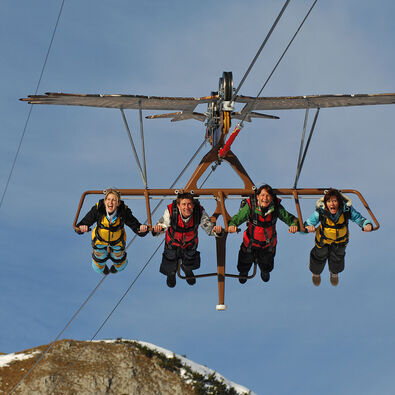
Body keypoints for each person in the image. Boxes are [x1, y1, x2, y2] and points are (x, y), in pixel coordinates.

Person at [228, 184, 299, 283]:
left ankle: (265, 270)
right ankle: (244, 272)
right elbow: (239, 217)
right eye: (262, 195)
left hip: (267, 244)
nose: (265, 199)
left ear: (271, 198)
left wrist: (294, 225)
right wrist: (232, 225)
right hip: (251, 242)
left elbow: (290, 218)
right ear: (257, 197)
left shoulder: (276, 207)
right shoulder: (251, 206)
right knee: (245, 259)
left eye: (268, 196)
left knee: (267, 262)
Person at [304, 188, 373, 286]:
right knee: (319, 255)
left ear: (339, 202)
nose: (332, 204)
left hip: (340, 240)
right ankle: (316, 273)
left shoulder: (346, 210)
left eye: (334, 201)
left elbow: (358, 218)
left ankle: (334, 273)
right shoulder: (321, 211)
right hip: (324, 239)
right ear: (325, 203)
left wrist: (366, 224)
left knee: (337, 257)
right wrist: (308, 227)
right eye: (328, 201)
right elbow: (309, 222)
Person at [152, 193, 223, 288]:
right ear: (178, 206)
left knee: (190, 258)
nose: (187, 207)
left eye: (189, 204)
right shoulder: (171, 211)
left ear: (193, 205)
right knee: (170, 258)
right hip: (173, 242)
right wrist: (158, 229)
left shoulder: (199, 212)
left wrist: (216, 231)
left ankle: (187, 270)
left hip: (190, 243)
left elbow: (208, 227)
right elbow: (164, 223)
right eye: (184, 204)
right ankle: (171, 273)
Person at [76, 189, 148, 275]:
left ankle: (118, 266)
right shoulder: (98, 210)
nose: (110, 202)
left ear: (118, 203)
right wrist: (82, 228)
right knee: (99, 256)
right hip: (100, 239)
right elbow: (83, 223)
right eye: (108, 199)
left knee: (119, 256)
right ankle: (101, 268)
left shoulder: (123, 212)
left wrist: (141, 229)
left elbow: (135, 225)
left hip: (117, 240)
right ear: (105, 201)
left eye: (114, 200)